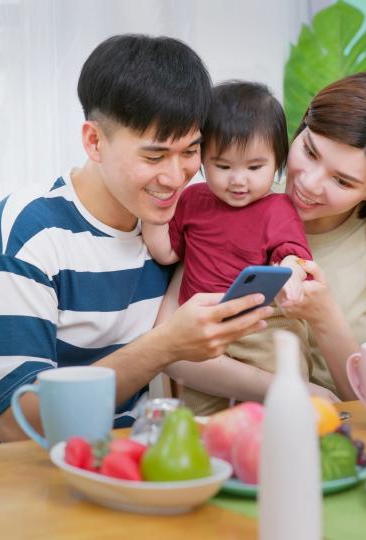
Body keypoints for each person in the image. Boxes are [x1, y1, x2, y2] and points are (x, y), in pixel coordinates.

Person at [0, 35, 274, 452]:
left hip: (113, 467)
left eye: (190, 151)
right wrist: (164, 345)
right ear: (94, 142)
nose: (176, 175)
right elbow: (20, 426)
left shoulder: (167, 229)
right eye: (154, 156)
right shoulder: (20, 237)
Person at [166, 71, 366, 402]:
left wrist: (322, 315)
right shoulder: (242, 194)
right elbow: (170, 345)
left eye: (342, 181)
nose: (309, 184)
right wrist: (293, 393)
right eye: (310, 152)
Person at [142, 81, 314, 415]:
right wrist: (150, 211)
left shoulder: (278, 208)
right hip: (204, 326)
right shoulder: (191, 200)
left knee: (281, 408)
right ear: (202, 158)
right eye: (223, 166)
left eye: (254, 167)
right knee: (201, 417)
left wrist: (292, 273)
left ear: (278, 162)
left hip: (262, 326)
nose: (238, 180)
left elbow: (293, 255)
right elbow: (166, 252)